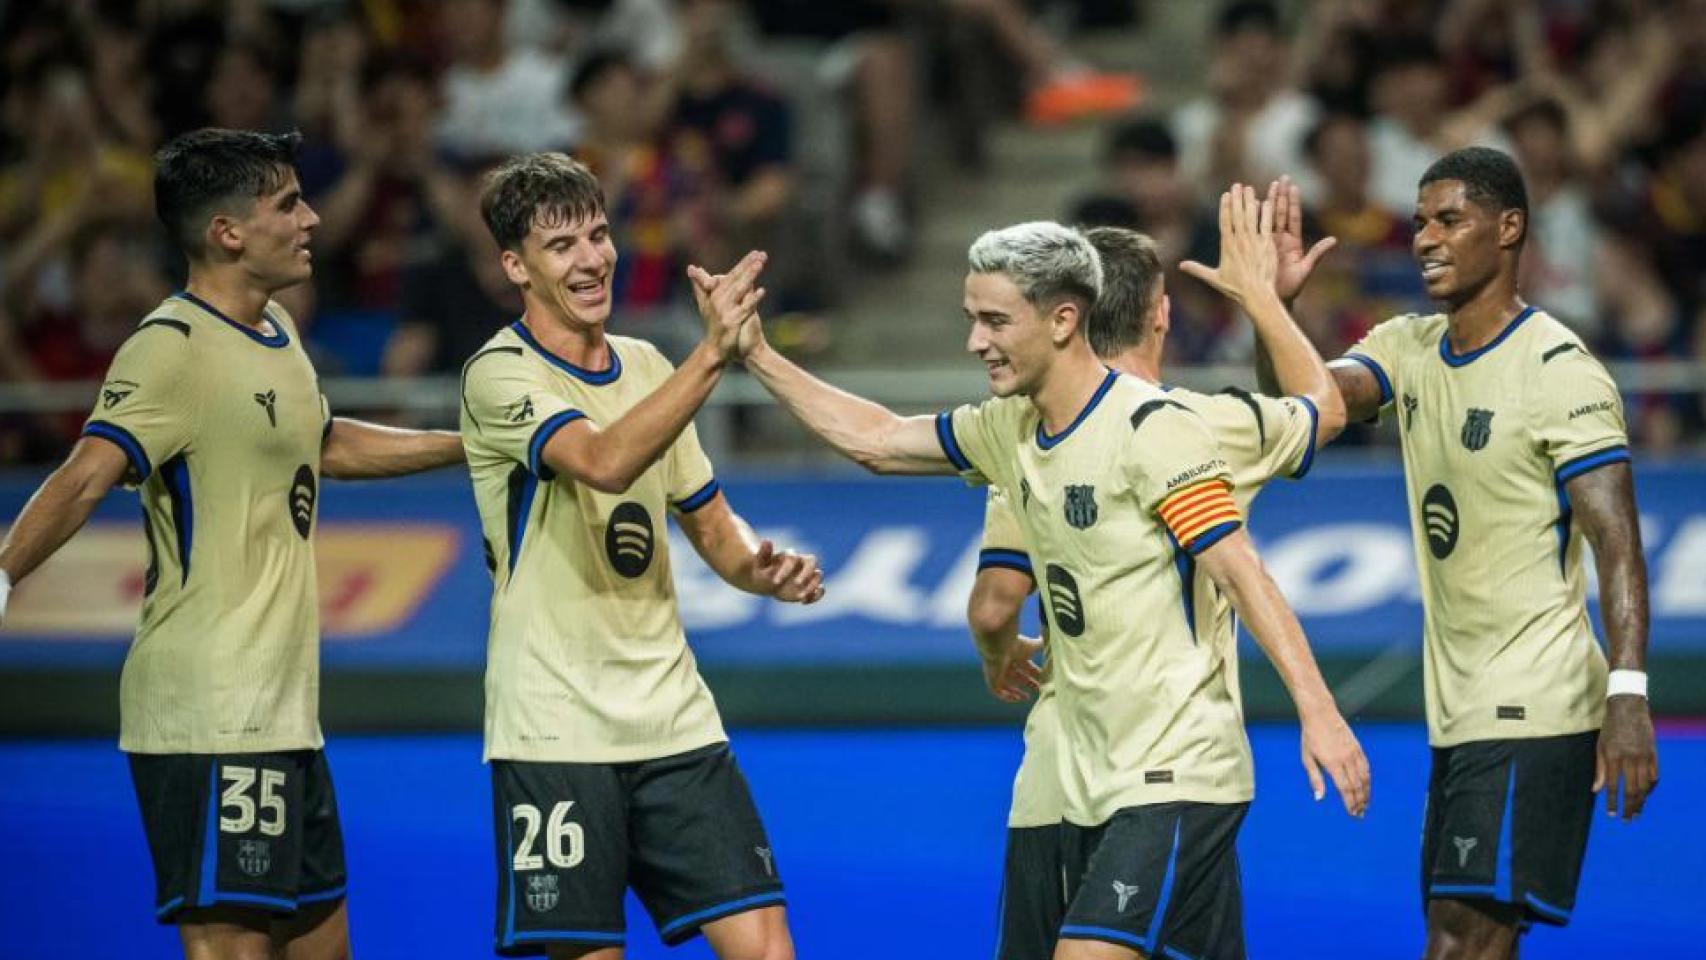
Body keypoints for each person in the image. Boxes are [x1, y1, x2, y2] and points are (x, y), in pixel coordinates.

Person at [697, 204, 1370, 960]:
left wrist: (1321, 712)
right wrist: (752, 353)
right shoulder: (1008, 429)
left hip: (1174, 768)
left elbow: (1241, 568)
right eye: (971, 318)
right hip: (1076, 778)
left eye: (993, 321)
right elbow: (879, 440)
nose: (974, 341)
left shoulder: (1153, 429)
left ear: (1062, 319)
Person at [0, 128, 466, 959]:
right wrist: (2, 578)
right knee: (234, 948)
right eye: (289, 203)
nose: (313, 218)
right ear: (227, 233)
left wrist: (469, 444)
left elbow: (319, 443)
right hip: (211, 712)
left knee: (325, 946)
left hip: (287, 713)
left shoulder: (279, 331)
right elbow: (83, 474)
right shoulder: (168, 349)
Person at [460, 152, 823, 958]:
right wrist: (713, 352)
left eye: (597, 235)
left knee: (768, 946)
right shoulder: (498, 374)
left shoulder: (650, 367)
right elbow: (602, 460)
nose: (592, 259)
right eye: (561, 247)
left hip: (673, 719)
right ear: (515, 266)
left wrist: (762, 570)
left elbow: (714, 532)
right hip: (554, 732)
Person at [975, 185, 1350, 959]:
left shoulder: (1025, 428)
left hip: (1060, 768)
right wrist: (1265, 306)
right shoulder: (1198, 422)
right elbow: (1323, 407)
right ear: (1161, 314)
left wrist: (998, 653)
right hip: (1174, 757)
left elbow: (993, 602)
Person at [1314, 146, 1658, 959]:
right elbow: (1311, 410)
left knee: (1461, 941)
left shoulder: (1560, 371)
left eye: (1449, 220)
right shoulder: (1407, 347)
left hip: (1533, 703)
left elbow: (1617, 543)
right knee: (1470, 936)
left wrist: (1630, 692)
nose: (1426, 239)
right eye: (1419, 223)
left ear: (1509, 229)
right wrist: (1269, 306)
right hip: (1460, 708)